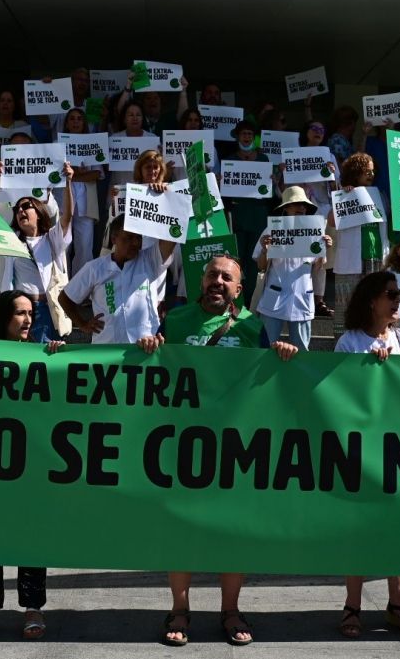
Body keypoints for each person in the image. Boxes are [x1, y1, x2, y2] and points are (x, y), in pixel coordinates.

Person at [136, 255, 297, 647]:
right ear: (201, 280)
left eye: (227, 277)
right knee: (181, 529)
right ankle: (179, 609)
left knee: (233, 531)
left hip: (234, 447)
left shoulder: (252, 327)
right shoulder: (175, 320)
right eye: (212, 274)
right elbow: (155, 370)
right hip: (181, 444)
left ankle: (230, 611)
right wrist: (149, 346)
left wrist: (282, 356)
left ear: (239, 289)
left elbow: (267, 383)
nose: (218, 281)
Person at [330, 271, 400, 639]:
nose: (397, 300)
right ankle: (353, 606)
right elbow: (339, 394)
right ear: (372, 300)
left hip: (399, 450)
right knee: (359, 531)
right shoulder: (349, 343)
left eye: (399, 294)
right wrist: (371, 372)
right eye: (390, 294)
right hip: (361, 450)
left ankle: (398, 605)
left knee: (399, 530)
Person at [0, 290, 63, 641]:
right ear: (3, 316)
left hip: (32, 461)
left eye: (30, 313)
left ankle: (33, 607)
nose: (27, 320)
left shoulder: (41, 352)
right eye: (20, 313)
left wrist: (56, 359)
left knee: (31, 532)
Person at [0, 161, 74, 342]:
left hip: (49, 310)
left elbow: (67, 216)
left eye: (26, 207)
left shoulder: (51, 238)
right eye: (17, 210)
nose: (20, 211)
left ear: (39, 213)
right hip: (20, 311)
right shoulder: (12, 239)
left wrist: (69, 182)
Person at [59, 214, 176, 344]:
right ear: (114, 239)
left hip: (145, 348)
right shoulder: (95, 268)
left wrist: (165, 198)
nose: (136, 243)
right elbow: (65, 298)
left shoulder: (149, 260)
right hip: (107, 350)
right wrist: (82, 324)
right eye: (129, 238)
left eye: (138, 238)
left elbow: (173, 235)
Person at [252, 188, 332, 350]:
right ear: (285, 208)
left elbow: (318, 267)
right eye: (295, 204)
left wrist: (326, 248)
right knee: (265, 349)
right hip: (274, 297)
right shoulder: (271, 230)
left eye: (303, 205)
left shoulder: (315, 232)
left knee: (301, 350)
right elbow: (260, 267)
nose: (300, 208)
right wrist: (266, 250)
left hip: (302, 296)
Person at [332, 153, 389, 332]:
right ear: (355, 172)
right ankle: (342, 344)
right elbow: (331, 222)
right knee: (347, 304)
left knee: (373, 304)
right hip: (352, 260)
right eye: (366, 171)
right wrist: (344, 196)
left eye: (372, 171)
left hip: (377, 257)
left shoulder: (380, 194)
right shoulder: (344, 193)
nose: (371, 175)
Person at [223, 120, 277, 303]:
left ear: (254, 138)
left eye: (250, 134)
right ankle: (234, 300)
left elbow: (270, 193)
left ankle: (251, 301)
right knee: (237, 259)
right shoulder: (229, 160)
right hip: (238, 214)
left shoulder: (264, 160)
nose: (246, 137)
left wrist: (272, 179)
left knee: (254, 262)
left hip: (258, 214)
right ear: (238, 136)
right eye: (243, 134)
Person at [293, 117, 337, 316]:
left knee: (321, 255)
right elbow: (284, 190)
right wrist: (283, 174)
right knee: (299, 256)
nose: (318, 131)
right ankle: (298, 294)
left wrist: (333, 175)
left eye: (322, 128)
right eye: (314, 128)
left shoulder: (330, 156)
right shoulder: (294, 155)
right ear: (306, 132)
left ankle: (318, 300)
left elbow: (336, 190)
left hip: (324, 212)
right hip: (301, 211)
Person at [61, 108, 102, 273]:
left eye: (79, 118)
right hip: (63, 197)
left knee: (84, 246)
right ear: (66, 123)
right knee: (62, 245)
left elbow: (97, 174)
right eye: (72, 119)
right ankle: (61, 286)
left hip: (86, 202)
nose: (76, 122)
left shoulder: (93, 144)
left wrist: (73, 175)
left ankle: (82, 287)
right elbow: (56, 174)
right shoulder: (58, 145)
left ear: (84, 123)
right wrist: (80, 174)